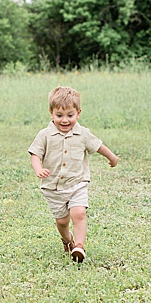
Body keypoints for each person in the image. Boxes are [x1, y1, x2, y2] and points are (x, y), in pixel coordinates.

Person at [29, 85, 118, 262]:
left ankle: (79, 246)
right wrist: (38, 169)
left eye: (70, 115)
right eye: (59, 115)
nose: (64, 120)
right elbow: (35, 154)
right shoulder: (45, 135)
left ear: (78, 113)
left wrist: (112, 157)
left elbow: (97, 145)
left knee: (78, 213)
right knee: (62, 221)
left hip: (77, 183)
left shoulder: (83, 134)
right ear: (51, 113)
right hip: (53, 187)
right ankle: (66, 239)